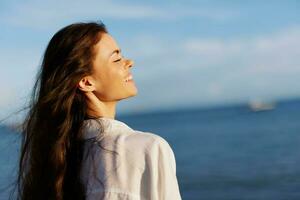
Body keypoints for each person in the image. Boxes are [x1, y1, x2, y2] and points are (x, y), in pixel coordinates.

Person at [14, 21, 182, 200]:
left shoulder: (54, 163)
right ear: (86, 82)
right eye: (116, 59)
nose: (129, 62)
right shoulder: (148, 149)